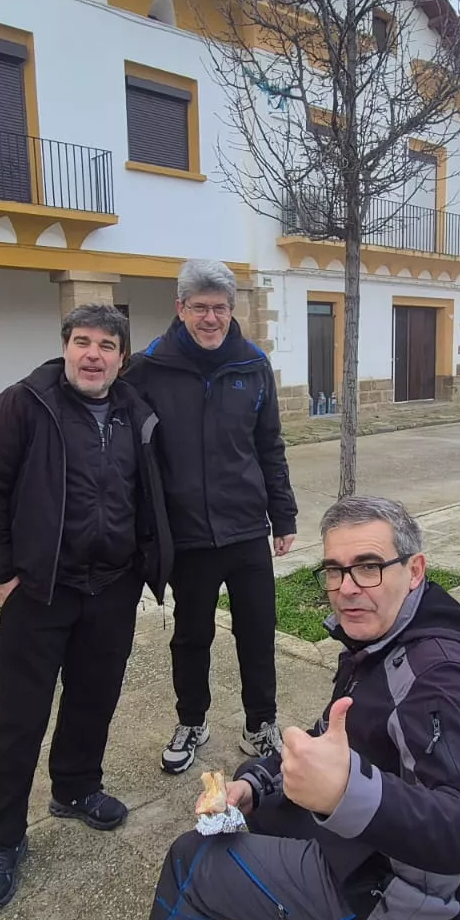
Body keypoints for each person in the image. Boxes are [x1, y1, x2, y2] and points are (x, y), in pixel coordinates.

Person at [91, 495, 460, 920]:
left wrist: (346, 792)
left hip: (411, 918)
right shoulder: (387, 636)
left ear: (415, 571)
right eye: (335, 570)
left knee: (191, 861)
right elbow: (325, 739)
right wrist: (253, 784)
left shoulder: (436, 676)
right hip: (389, 860)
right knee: (248, 813)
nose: (346, 588)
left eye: (368, 566)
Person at [0, 305, 173, 911]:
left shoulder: (136, 410)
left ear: (122, 358)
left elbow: (149, 490)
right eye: (83, 341)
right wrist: (2, 575)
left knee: (93, 697)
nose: (93, 355)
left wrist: (147, 565)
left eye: (107, 345)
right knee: (18, 718)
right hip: (40, 590)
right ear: (65, 346)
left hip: (111, 586)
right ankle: (1, 838)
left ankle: (77, 788)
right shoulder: (25, 403)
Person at [123, 260, 298, 774]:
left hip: (245, 527)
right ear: (180, 309)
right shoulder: (148, 367)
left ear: (231, 310)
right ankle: (192, 719)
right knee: (192, 632)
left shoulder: (252, 365)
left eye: (219, 308)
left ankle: (259, 722)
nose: (210, 318)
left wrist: (282, 515)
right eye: (199, 307)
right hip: (188, 533)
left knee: (257, 629)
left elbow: (269, 445)